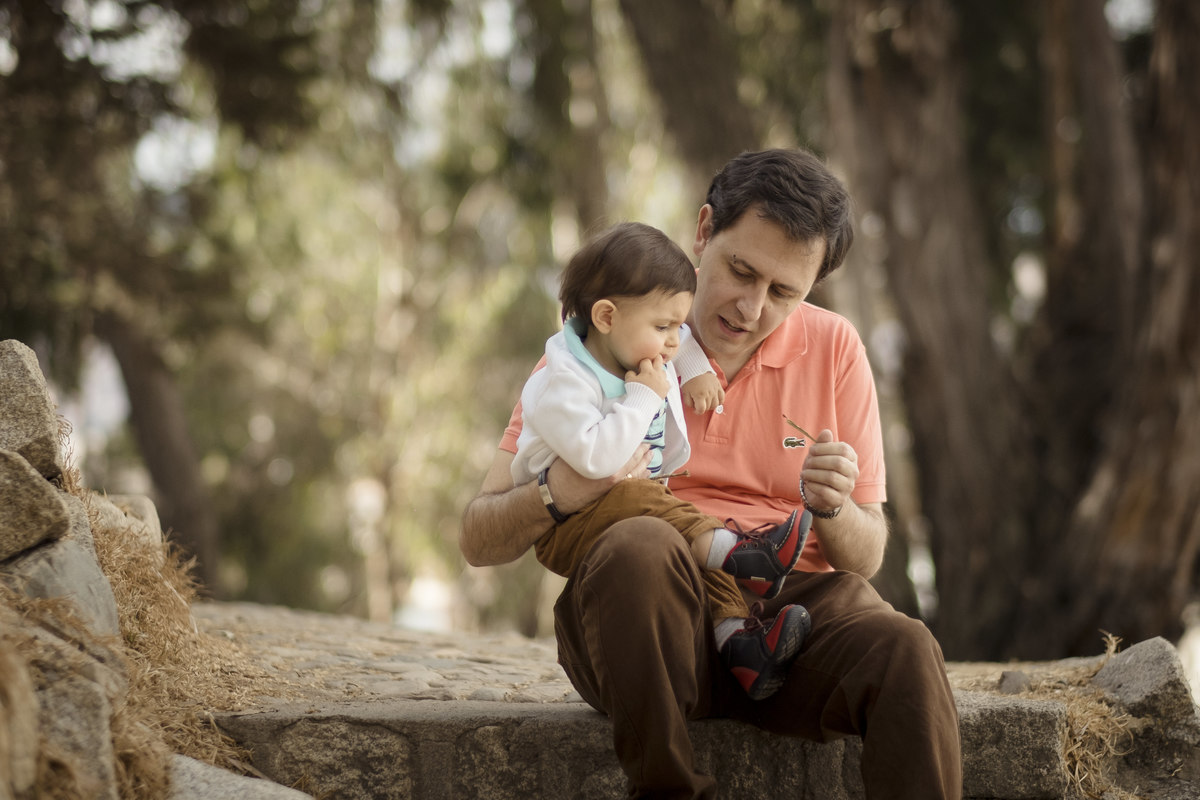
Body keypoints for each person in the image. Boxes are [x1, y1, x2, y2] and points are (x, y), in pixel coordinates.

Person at [461, 148, 962, 800]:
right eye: (741, 271)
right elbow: (479, 536)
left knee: (906, 648)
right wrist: (559, 491)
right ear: (703, 231)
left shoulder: (836, 347)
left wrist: (834, 507)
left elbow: (863, 558)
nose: (751, 308)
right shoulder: (604, 343)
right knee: (641, 543)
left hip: (791, 620)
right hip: (647, 616)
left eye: (783, 293)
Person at [513, 220, 813, 701]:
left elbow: (683, 343)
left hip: (633, 507)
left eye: (678, 324)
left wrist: (694, 373)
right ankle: (742, 551)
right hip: (567, 528)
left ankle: (739, 644)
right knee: (680, 524)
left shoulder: (631, 346)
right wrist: (643, 397)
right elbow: (598, 462)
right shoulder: (562, 382)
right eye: (663, 327)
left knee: (702, 556)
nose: (675, 340)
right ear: (606, 317)